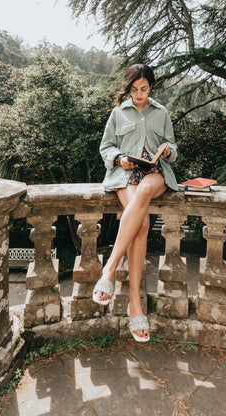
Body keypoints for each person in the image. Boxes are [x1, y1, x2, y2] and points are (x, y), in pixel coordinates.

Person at [94, 64, 178, 342]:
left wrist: (167, 149)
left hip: (155, 174)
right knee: (141, 224)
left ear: (151, 87)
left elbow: (172, 146)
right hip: (125, 173)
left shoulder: (161, 112)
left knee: (144, 192)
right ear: (128, 89)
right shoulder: (118, 114)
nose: (139, 94)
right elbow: (106, 147)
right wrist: (120, 159)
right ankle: (135, 305)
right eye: (134, 89)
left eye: (144, 89)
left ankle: (110, 267)